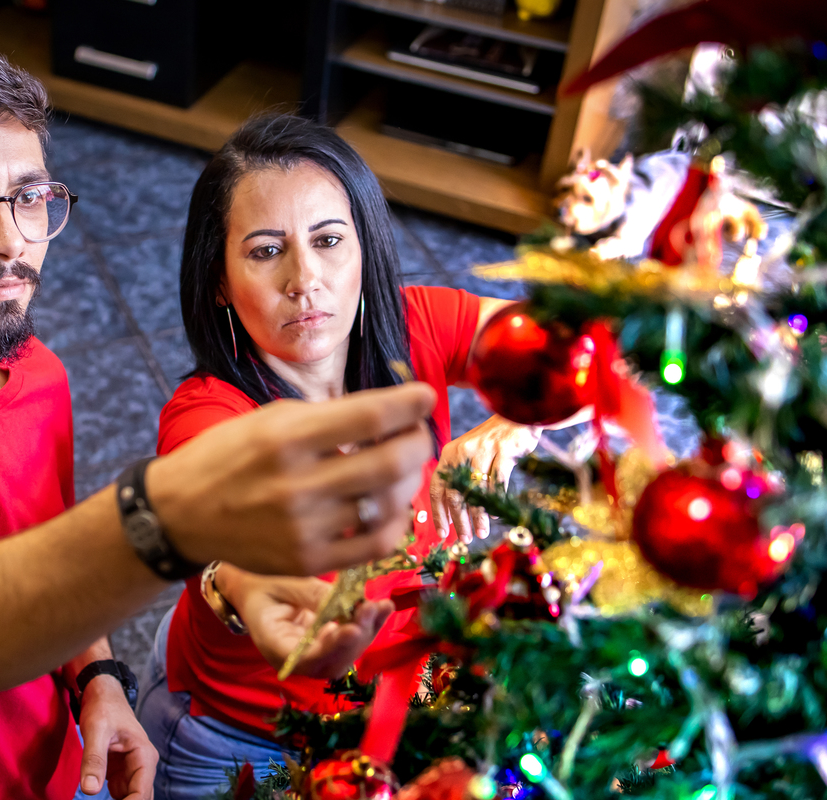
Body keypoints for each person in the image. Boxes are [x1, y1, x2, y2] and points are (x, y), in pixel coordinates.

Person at [0, 40, 437, 800]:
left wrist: (97, 675)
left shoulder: (36, 373)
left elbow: (36, 548)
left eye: (29, 197)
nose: (9, 241)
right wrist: (165, 521)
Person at [135, 114, 548, 800]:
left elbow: (601, 344)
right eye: (267, 251)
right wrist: (234, 583)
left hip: (397, 717)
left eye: (329, 240)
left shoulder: (417, 327)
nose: (306, 278)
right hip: (244, 744)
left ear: (366, 247)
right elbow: (211, 536)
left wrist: (516, 420)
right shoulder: (207, 415)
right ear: (218, 282)